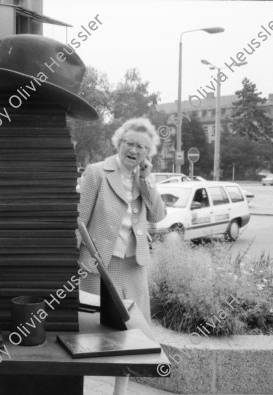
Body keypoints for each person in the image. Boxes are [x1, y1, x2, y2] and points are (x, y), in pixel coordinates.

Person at [76, 117, 167, 395]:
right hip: (99, 268)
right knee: (88, 337)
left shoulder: (143, 179)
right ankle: (78, 386)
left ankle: (120, 392)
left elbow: (158, 215)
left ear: (147, 153)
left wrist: (147, 180)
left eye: (142, 147)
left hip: (133, 267)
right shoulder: (96, 173)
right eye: (130, 143)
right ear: (119, 143)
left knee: (136, 338)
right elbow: (79, 221)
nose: (135, 151)